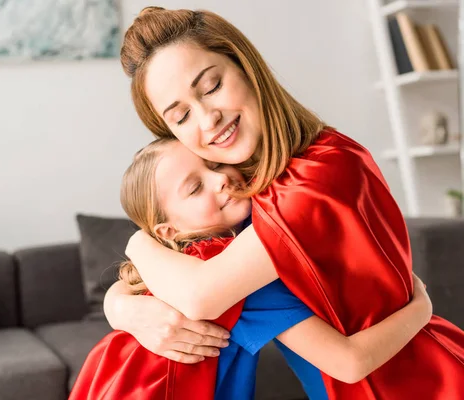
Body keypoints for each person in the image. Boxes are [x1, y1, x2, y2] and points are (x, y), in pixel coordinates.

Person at [104, 6, 464, 399]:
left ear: (246, 67)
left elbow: (199, 295)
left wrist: (138, 242)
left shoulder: (319, 176)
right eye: (182, 115)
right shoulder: (245, 189)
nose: (208, 119)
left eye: (211, 87)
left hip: (426, 385)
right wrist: (121, 308)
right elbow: (165, 282)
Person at [71, 138, 432, 400]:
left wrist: (121, 293)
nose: (220, 180)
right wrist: (421, 308)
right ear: (168, 231)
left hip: (104, 379)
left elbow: (125, 288)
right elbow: (349, 363)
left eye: (213, 165)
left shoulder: (168, 261)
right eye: (195, 187)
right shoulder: (232, 271)